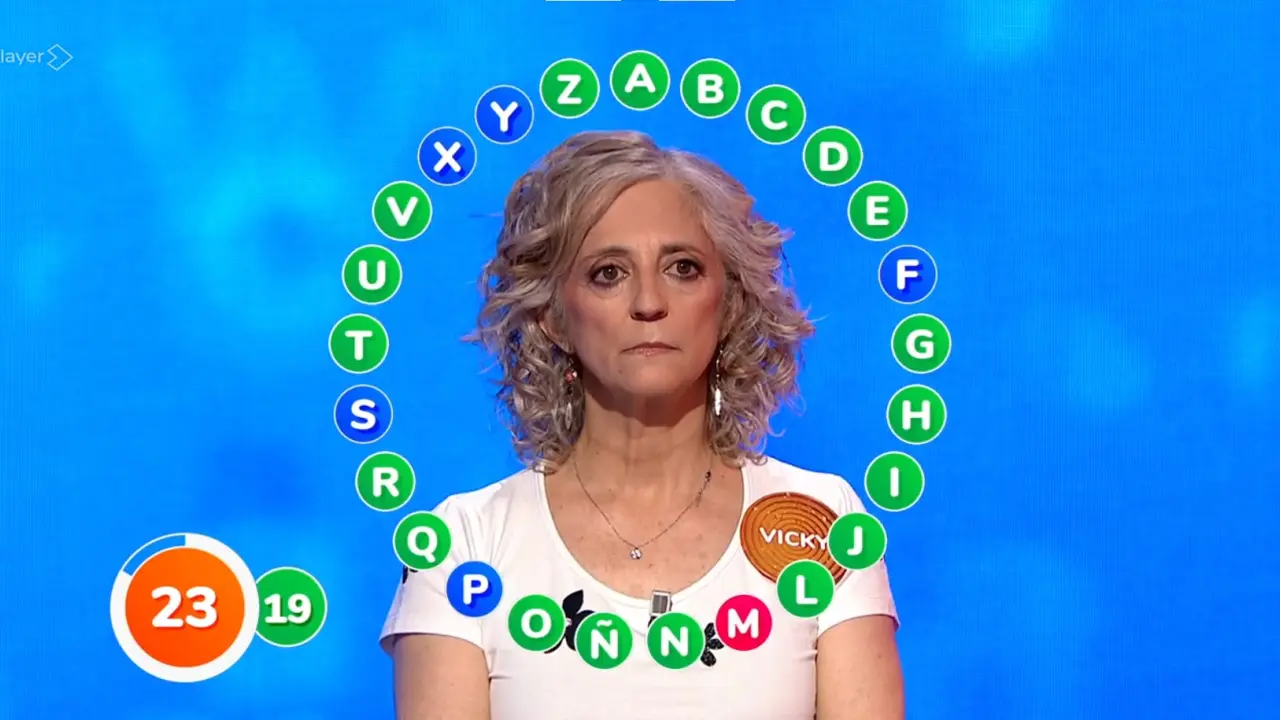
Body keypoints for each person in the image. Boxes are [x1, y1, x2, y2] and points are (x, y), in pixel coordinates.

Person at [380, 130, 904, 719]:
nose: (649, 302)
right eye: (608, 273)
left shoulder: (819, 523)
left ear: (728, 303)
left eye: (683, 268)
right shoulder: (464, 545)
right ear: (552, 316)